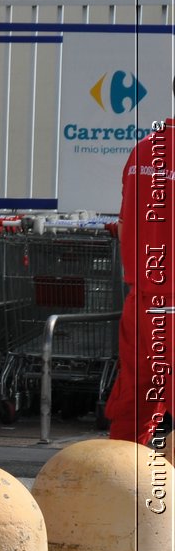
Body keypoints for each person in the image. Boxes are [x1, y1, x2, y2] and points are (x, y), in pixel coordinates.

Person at [104, 84, 174, 446]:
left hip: (142, 298)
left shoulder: (143, 151)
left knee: (136, 397)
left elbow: (125, 224)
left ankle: (121, 482)